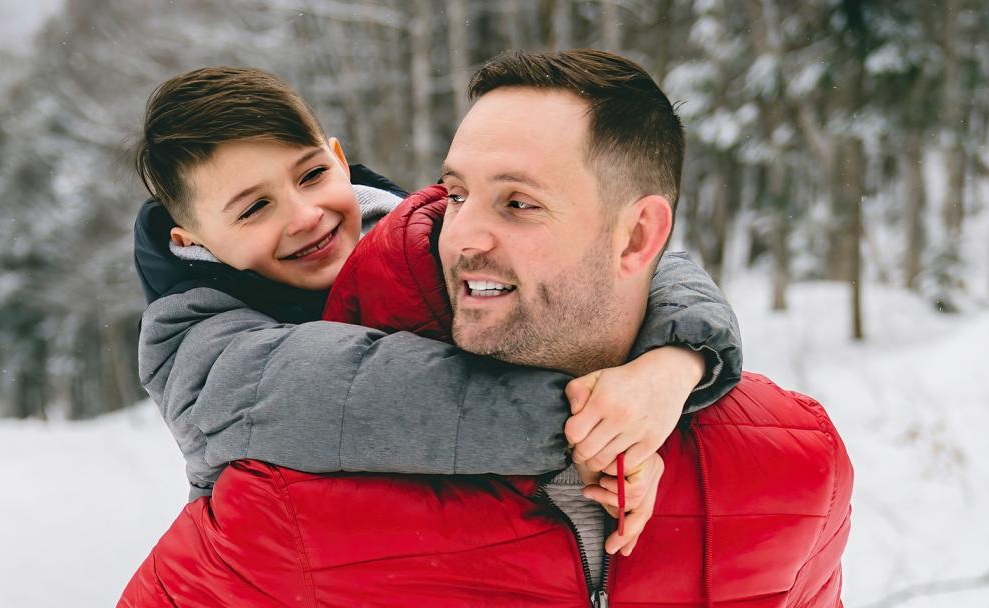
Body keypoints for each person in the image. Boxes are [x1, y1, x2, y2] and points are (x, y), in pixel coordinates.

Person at [121, 50, 852, 607]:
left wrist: (676, 363)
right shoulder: (205, 344)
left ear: (338, 158)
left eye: (312, 176)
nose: (305, 215)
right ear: (194, 242)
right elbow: (364, 396)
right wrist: (588, 431)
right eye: (253, 209)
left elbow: (635, 260)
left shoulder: (427, 232)